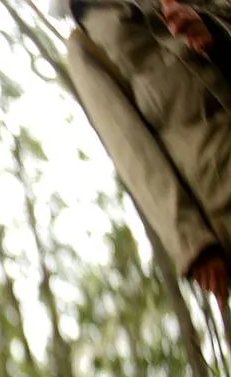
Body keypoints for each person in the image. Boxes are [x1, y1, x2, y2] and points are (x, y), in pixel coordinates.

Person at [62, 0, 231, 300]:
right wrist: (192, 243)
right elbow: (132, 151)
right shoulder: (85, 45)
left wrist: (211, 31)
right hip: (220, 191)